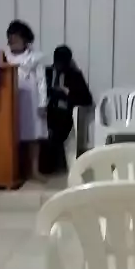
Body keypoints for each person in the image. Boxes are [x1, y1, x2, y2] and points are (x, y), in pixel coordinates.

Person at [4, 20, 47, 181]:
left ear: (25, 39)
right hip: (11, 101)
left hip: (32, 100)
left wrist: (43, 103)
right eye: (11, 38)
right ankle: (15, 170)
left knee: (33, 136)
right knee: (13, 135)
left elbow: (41, 82)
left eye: (16, 38)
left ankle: (34, 170)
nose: (13, 42)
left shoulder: (35, 58)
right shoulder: (4, 57)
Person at [46, 45, 93, 173]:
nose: (59, 66)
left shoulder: (75, 75)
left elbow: (87, 99)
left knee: (58, 124)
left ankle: (55, 163)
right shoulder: (47, 73)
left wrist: (68, 93)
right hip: (46, 110)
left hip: (64, 112)